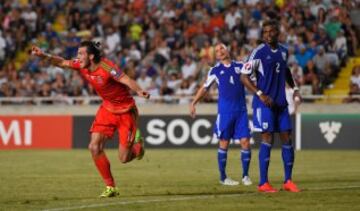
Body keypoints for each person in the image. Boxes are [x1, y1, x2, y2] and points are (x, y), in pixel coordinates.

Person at [31, 41, 150, 197]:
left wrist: (140, 91)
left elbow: (126, 80)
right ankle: (111, 187)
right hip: (107, 109)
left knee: (124, 158)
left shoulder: (107, 67)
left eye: (81, 54)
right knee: (94, 147)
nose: (78, 57)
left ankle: (138, 146)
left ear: (91, 56)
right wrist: (43, 55)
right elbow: (61, 62)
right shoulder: (81, 65)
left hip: (126, 111)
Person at [240, 20, 301, 193]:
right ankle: (263, 183)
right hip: (264, 104)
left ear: (277, 32)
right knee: (267, 139)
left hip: (281, 103)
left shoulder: (283, 51)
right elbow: (244, 77)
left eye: (271, 31)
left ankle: (288, 181)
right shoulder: (258, 52)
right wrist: (260, 94)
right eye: (265, 32)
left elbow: (286, 71)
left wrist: (295, 88)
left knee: (287, 138)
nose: (267, 34)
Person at [190, 43, 252, 186]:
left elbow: (251, 79)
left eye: (222, 48)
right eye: (217, 51)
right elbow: (204, 88)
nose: (220, 51)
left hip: (241, 111)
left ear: (227, 49)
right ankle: (223, 177)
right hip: (225, 113)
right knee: (224, 143)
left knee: (245, 142)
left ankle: (245, 176)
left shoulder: (240, 66)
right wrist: (194, 102)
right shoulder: (214, 71)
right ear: (216, 56)